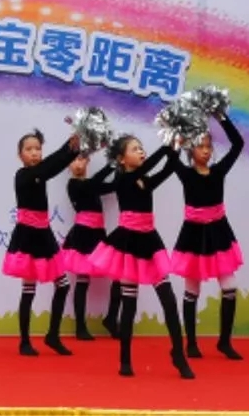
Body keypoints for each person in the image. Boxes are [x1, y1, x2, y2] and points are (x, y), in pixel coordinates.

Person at [90, 134, 192, 379]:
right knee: (129, 305)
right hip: (128, 244)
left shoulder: (144, 180)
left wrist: (176, 148)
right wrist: (165, 147)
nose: (141, 151)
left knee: (169, 301)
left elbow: (168, 169)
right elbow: (151, 164)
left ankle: (178, 354)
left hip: (150, 242)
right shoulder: (123, 178)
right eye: (135, 149)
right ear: (121, 159)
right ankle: (125, 360)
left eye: (141, 148)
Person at [168, 109, 245, 360]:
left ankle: (224, 341)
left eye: (208, 146)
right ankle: (191, 343)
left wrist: (221, 117)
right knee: (192, 288)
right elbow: (170, 158)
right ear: (191, 150)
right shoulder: (186, 174)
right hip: (193, 235)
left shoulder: (218, 171)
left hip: (219, 234)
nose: (205, 151)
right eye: (200, 146)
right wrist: (178, 134)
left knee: (230, 286)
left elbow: (238, 144)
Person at [2, 129, 81, 357]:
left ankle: (53, 335)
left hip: (44, 234)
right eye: (29, 149)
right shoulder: (23, 175)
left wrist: (73, 147)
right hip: (27, 236)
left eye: (38, 148)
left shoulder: (41, 172)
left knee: (63, 285)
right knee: (29, 290)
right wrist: (69, 147)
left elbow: (52, 166)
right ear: (20, 155)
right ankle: (24, 341)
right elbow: (49, 167)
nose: (34, 152)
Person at [57, 150, 114, 341]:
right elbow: (94, 184)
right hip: (82, 236)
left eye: (81, 159)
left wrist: (123, 171)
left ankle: (111, 318)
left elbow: (112, 186)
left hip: (98, 234)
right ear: (68, 165)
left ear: (87, 161)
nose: (78, 163)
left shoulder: (93, 185)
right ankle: (80, 326)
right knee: (82, 282)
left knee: (118, 275)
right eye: (73, 160)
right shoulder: (73, 184)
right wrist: (112, 164)